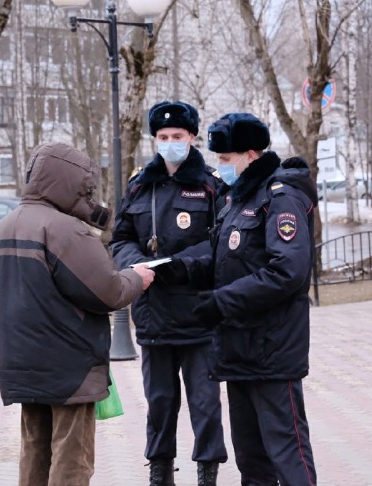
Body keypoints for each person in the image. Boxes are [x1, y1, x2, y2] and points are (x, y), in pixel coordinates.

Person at [157, 113, 318, 485]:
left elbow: (287, 271)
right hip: (238, 350)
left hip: (273, 351)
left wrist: (222, 302)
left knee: (287, 453)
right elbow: (222, 256)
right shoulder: (238, 200)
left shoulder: (281, 198)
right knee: (251, 458)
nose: (220, 167)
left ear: (250, 154)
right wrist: (180, 266)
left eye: (226, 160)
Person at [0, 142, 155, 486]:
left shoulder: (3, 226)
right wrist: (138, 277)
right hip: (68, 366)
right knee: (72, 459)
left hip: (21, 362)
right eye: (85, 187)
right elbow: (109, 291)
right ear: (68, 181)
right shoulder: (65, 230)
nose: (88, 194)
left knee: (34, 451)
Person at [111, 100, 227, 486]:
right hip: (153, 314)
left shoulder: (211, 185)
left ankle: (207, 473)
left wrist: (180, 264)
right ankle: (160, 473)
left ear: (192, 137)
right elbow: (121, 238)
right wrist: (135, 264)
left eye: (177, 136)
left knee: (205, 406)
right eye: (162, 137)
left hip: (197, 314)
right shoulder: (139, 185)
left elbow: (221, 244)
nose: (170, 143)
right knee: (159, 404)